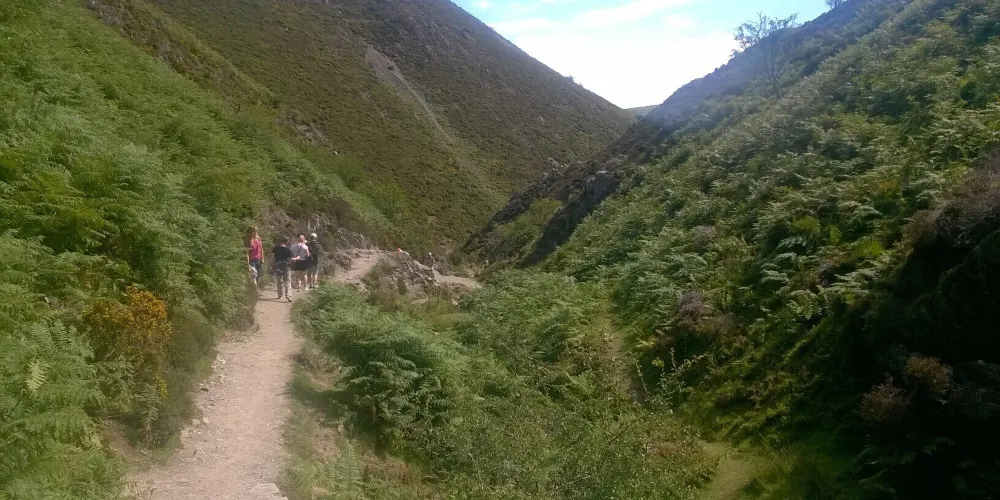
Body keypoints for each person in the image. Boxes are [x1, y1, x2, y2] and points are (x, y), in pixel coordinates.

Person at [271, 236, 292, 301]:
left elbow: (272, 257)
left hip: (278, 265)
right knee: (287, 281)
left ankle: (280, 295)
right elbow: (291, 259)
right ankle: (288, 295)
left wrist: (271, 265)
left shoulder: (275, 248)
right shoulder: (288, 249)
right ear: (287, 242)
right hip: (286, 266)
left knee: (279, 281)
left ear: (281, 240)